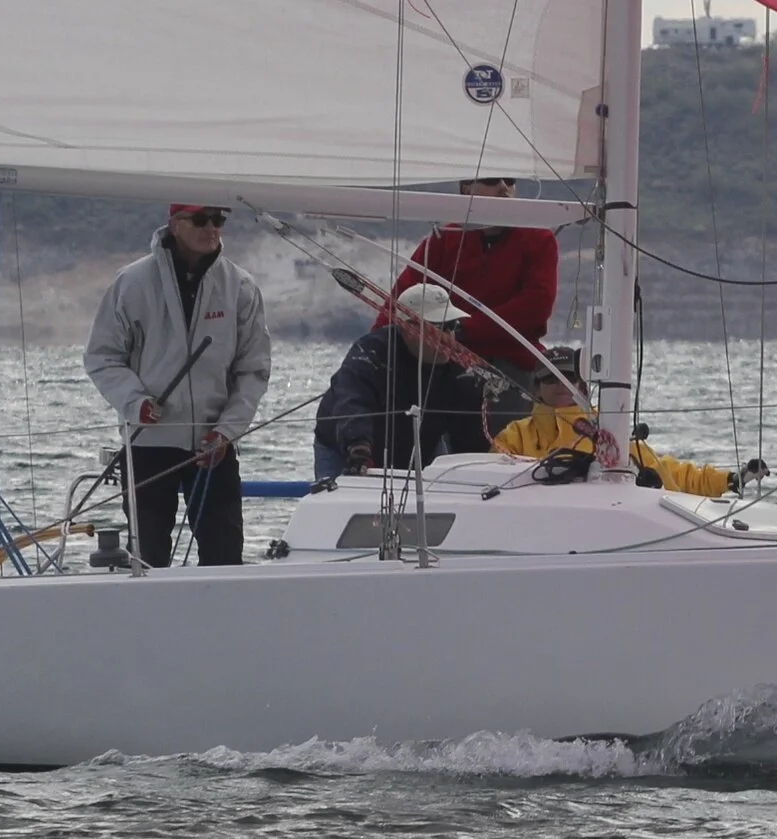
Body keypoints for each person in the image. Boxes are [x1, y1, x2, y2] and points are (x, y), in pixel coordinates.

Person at [85, 204, 272, 567]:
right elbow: (101, 357)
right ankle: (151, 623)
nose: (211, 228)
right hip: (148, 443)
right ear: (174, 223)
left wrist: (226, 431)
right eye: (201, 219)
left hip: (213, 445)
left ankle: (218, 623)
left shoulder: (241, 287)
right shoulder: (132, 283)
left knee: (224, 557)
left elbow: (254, 369)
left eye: (219, 220)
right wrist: (135, 402)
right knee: (149, 559)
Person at [375, 175, 556, 421]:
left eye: (510, 180)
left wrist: (463, 329)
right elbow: (401, 301)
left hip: (510, 365)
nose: (504, 188)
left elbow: (536, 305)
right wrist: (372, 352)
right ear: (466, 187)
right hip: (447, 364)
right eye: (492, 180)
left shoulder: (539, 239)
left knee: (502, 447)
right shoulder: (444, 239)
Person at [490, 346, 768, 496]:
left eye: (568, 378)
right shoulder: (513, 437)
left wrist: (730, 479)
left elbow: (669, 471)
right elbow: (490, 480)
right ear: (536, 388)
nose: (561, 385)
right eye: (551, 378)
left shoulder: (608, 429)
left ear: (582, 385)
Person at [313, 283, 490, 482]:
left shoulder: (462, 369)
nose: (449, 337)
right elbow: (352, 400)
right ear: (409, 328)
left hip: (420, 445)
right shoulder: (371, 353)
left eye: (453, 326)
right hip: (345, 448)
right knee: (343, 506)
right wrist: (358, 447)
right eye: (440, 327)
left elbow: (470, 433)